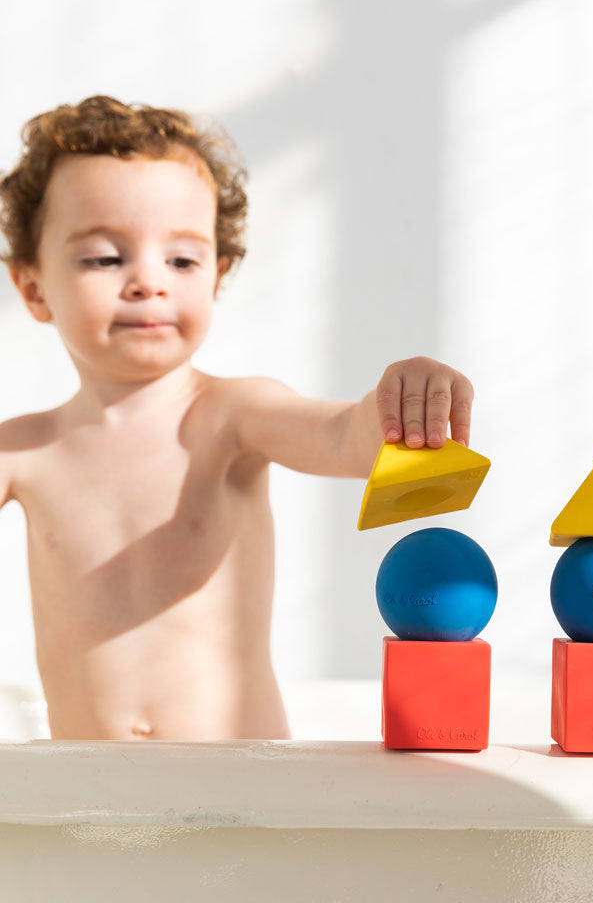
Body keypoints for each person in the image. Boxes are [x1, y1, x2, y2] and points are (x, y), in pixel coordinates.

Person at [0, 95, 474, 741]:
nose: (148, 281)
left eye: (183, 260)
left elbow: (340, 438)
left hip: (243, 790)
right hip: (92, 805)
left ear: (217, 276)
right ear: (33, 288)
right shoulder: (22, 452)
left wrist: (396, 403)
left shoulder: (232, 415)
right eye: (105, 258)